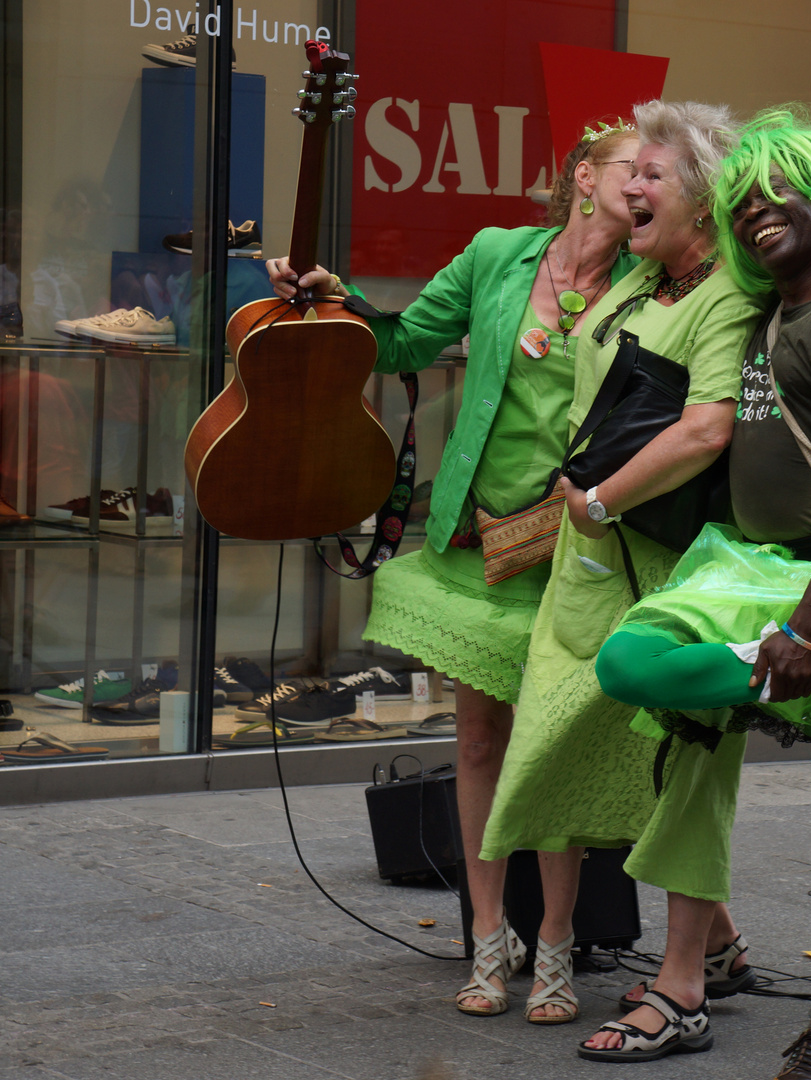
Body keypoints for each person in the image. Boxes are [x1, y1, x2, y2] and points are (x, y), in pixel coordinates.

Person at [587, 110, 811, 1076]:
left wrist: (804, 624)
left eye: (775, 194)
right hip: (741, 566)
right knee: (628, 663)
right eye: (741, 205)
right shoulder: (769, 309)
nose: (756, 215)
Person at [267, 122, 642, 1020]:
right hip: (478, 545)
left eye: (664, 177)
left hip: (575, 546)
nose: (652, 186)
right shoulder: (498, 257)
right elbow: (401, 344)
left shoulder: (654, 281)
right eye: (640, 168)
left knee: (553, 749)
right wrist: (334, 300)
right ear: (585, 177)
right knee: (478, 743)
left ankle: (554, 940)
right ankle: (486, 936)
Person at [478, 100, 764, 1028]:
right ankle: (707, 943)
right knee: (563, 744)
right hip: (583, 565)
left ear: (705, 201)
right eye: (626, 171)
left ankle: (681, 973)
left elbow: (707, 428)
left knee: (674, 757)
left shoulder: (726, 297)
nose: (628, 187)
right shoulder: (640, 286)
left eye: (652, 175)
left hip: (664, 567)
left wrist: (600, 501)